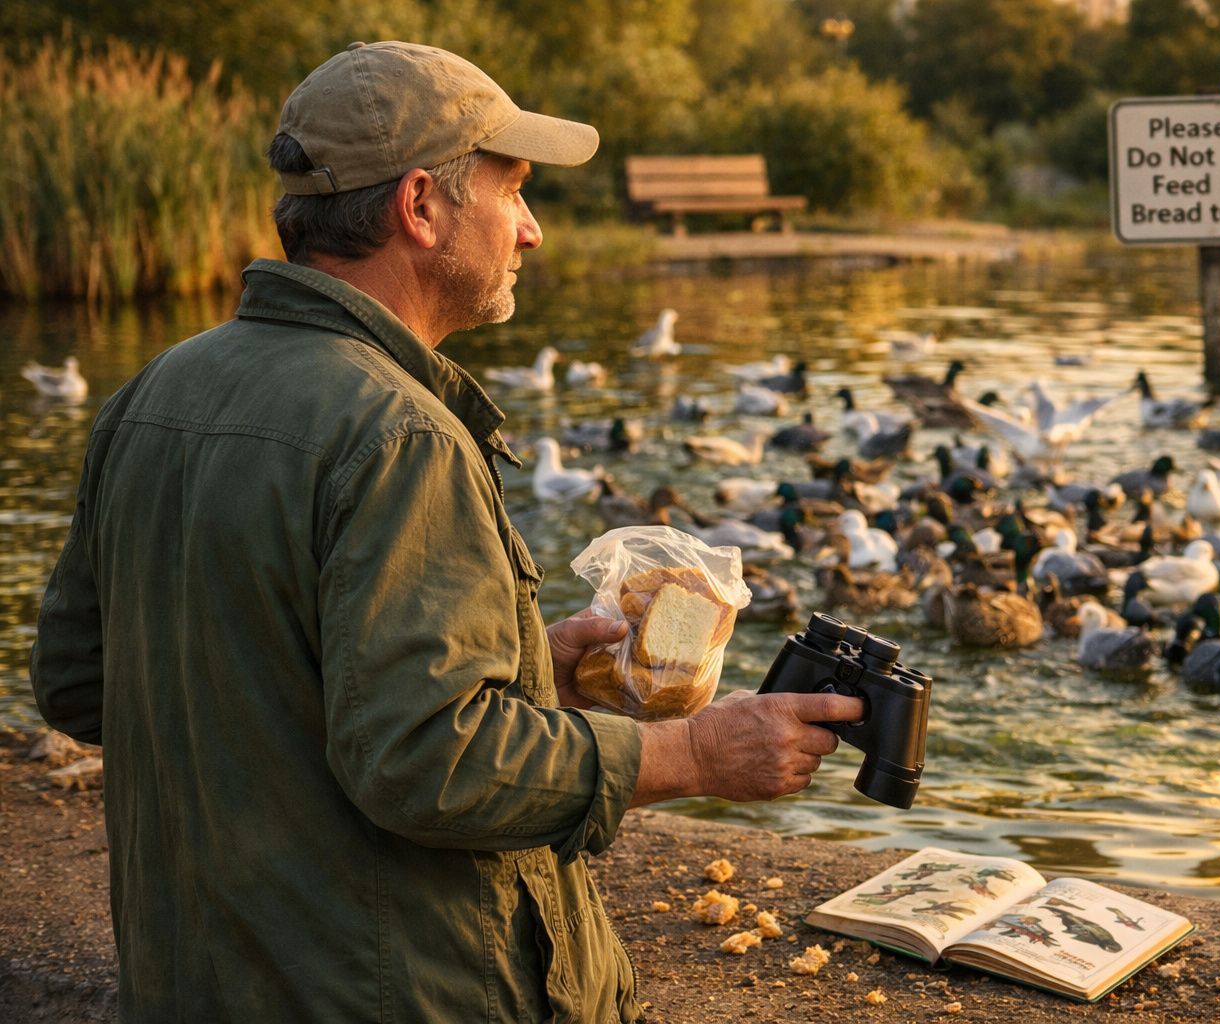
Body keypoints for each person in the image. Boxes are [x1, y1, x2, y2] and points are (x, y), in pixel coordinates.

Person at [29, 40, 862, 1023]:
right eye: (512, 192)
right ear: (420, 206)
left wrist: (519, 677)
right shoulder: (398, 432)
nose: (533, 232)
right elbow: (426, 761)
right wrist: (691, 755)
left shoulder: (154, 392)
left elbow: (85, 681)